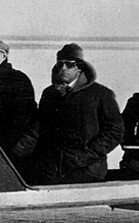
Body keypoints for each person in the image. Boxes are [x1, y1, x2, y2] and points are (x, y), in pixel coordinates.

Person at [21, 43, 123, 185]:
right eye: (60, 64)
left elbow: (114, 131)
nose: (63, 68)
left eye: (69, 64)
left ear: (80, 68)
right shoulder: (50, 93)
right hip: (52, 168)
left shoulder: (100, 94)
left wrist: (87, 154)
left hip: (87, 169)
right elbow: (39, 127)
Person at [0, 39, 36, 162]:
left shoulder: (19, 79)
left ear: (4, 55)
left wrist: (9, 149)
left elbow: (23, 119)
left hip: (13, 146)